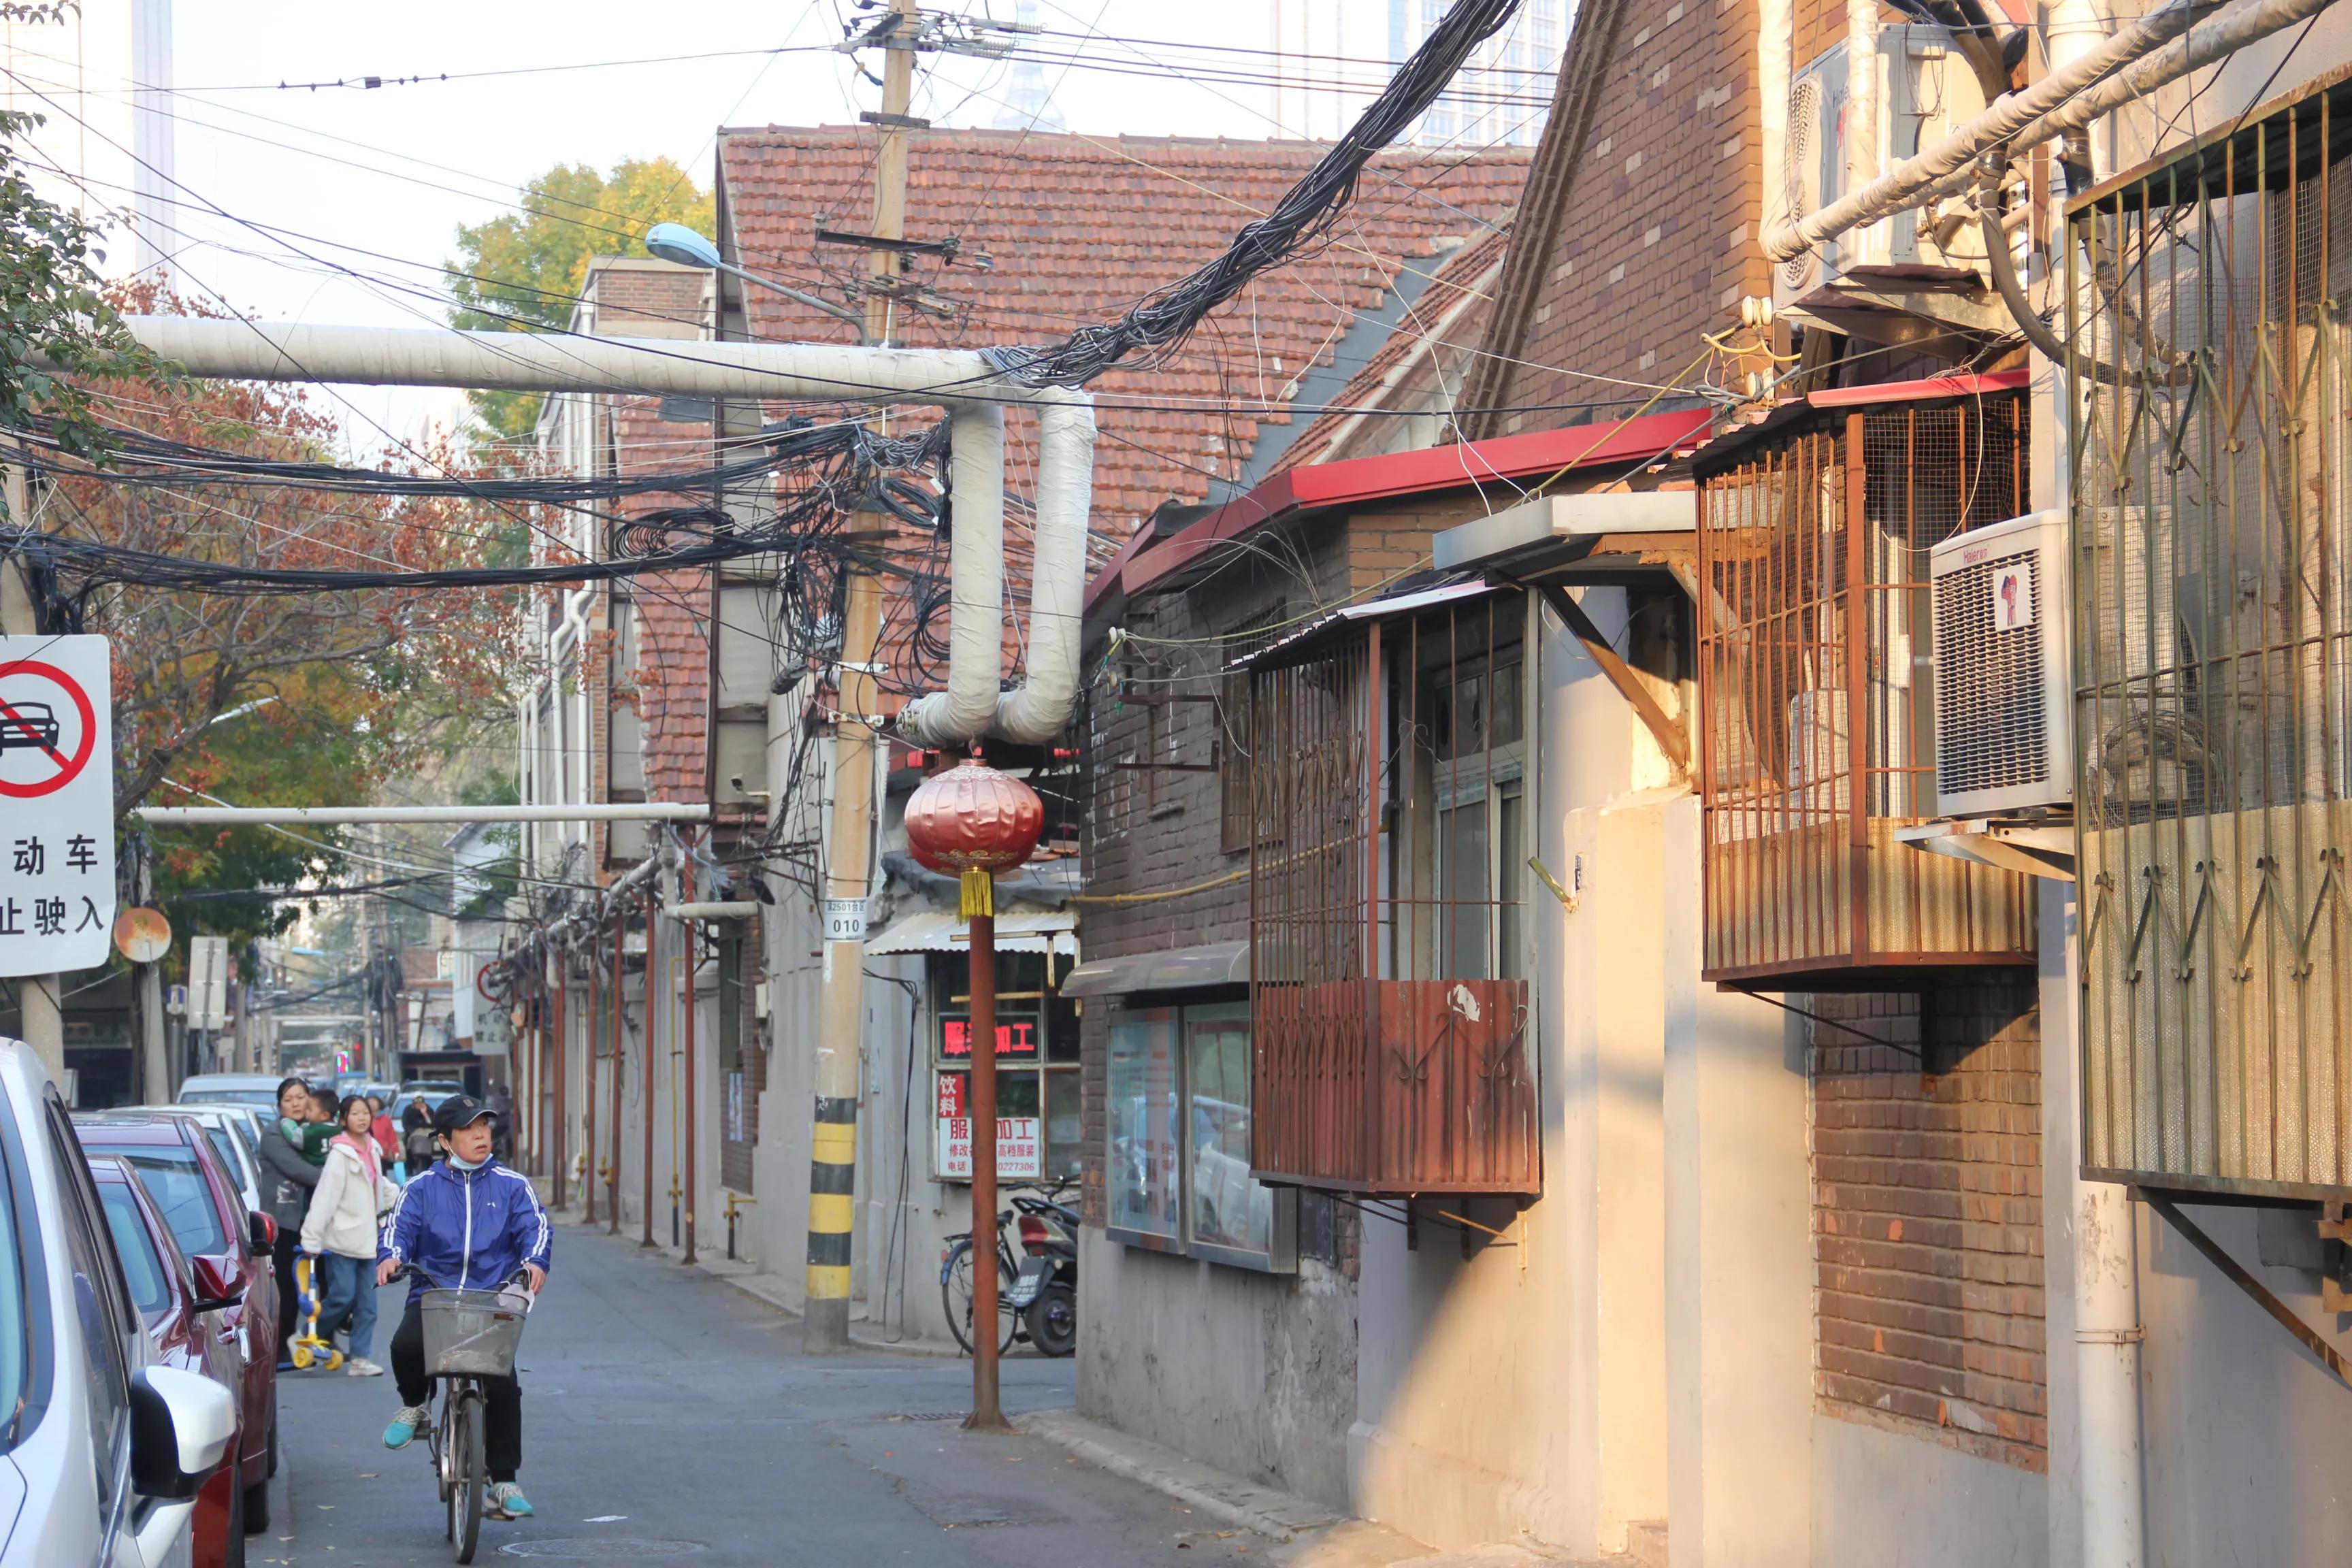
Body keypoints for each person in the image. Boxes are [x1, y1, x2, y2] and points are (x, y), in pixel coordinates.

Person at [377, 1094, 551, 1521]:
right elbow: (398, 1228)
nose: (480, 1136)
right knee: (405, 1346)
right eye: (469, 1129)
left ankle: (504, 1480)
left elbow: (536, 1227)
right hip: (434, 1296)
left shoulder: (513, 1185)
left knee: (504, 1384)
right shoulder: (420, 1189)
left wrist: (534, 1262)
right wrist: (392, 1255)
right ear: (445, 1141)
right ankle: (416, 1404)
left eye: (485, 1128)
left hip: (492, 1300)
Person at [300, 1094, 398, 1377]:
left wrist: (402, 1198)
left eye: (365, 1113)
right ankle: (306, 1334)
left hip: (370, 1241)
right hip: (342, 1240)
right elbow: (325, 1198)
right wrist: (311, 1238)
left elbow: (379, 1185)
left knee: (368, 1305)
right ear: (343, 1120)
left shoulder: (372, 1148)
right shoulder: (340, 1154)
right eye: (355, 1114)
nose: (362, 1118)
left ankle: (360, 1359)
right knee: (342, 1297)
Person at [255, 1076, 325, 1367]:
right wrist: (338, 1179)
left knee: (322, 1285)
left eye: (301, 1097)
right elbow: (300, 1170)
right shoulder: (274, 1135)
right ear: (279, 1105)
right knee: (286, 1287)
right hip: (283, 1223)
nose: (296, 1103)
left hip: (315, 1220)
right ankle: (281, 1346)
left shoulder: (315, 1131)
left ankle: (318, 1341)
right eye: (289, 1099)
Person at [365, 1094, 401, 1180]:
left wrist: (396, 1153)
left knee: (382, 1179)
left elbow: (392, 1138)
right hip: (367, 1155)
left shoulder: (386, 1120)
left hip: (382, 1155)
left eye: (375, 1102)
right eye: (370, 1102)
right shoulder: (364, 1119)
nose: (373, 1104)